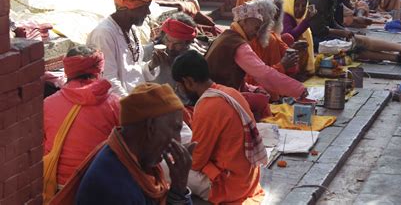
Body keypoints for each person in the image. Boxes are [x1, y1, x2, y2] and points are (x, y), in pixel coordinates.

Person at [54, 83, 195, 204]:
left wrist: (178, 189)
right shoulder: (116, 188)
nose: (178, 140)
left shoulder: (134, 159)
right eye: (176, 129)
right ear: (150, 127)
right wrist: (179, 189)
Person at [172, 50, 266, 203]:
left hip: (229, 186)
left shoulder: (208, 106)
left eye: (179, 86)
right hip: (248, 179)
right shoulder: (230, 92)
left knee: (164, 166)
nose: (180, 91)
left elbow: (196, 162)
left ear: (188, 81)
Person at [43, 46, 120, 203]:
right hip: (100, 186)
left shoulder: (47, 104)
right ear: (99, 70)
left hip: (58, 187)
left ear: (68, 72)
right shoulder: (115, 104)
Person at [205, 1, 307, 120]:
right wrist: (297, 89)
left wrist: (253, 89)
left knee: (260, 94)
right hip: (219, 97)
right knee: (261, 100)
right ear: (243, 22)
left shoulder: (228, 36)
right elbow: (263, 74)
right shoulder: (238, 44)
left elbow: (237, 75)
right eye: (256, 28)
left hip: (217, 93)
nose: (258, 33)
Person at [308, 0, 401, 62]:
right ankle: (397, 56)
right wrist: (342, 32)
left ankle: (400, 50)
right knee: (355, 46)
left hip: (324, 35)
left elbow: (332, 21)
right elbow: (319, 30)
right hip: (316, 39)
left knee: (358, 41)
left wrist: (344, 31)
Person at [87, 0, 160, 97]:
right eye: (144, 8)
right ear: (128, 8)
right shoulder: (104, 34)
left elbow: (133, 71)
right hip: (119, 104)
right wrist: (131, 106)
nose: (148, 13)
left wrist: (151, 65)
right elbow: (108, 81)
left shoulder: (133, 29)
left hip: (136, 97)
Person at [152, 13, 197, 88]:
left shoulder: (192, 59)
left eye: (177, 44)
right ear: (163, 36)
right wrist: (150, 66)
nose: (170, 47)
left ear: (187, 43)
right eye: (168, 40)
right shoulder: (148, 51)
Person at [282, 0, 316, 74]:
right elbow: (291, 37)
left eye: (304, 6)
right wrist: (306, 21)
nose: (300, 9)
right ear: (289, 4)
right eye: (296, 5)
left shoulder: (299, 20)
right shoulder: (285, 17)